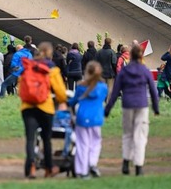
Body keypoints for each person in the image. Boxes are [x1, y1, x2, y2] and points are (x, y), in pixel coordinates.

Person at [105, 45, 159, 176]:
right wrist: (156, 108)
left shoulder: (125, 71)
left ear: (131, 55)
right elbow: (153, 90)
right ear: (140, 56)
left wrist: (107, 109)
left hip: (127, 104)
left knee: (127, 134)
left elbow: (115, 91)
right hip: (141, 104)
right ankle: (138, 167)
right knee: (140, 135)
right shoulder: (145, 70)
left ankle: (125, 162)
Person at [21, 42, 68, 179]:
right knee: (46, 139)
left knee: (30, 139)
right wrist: (62, 100)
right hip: (45, 106)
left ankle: (31, 167)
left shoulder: (29, 66)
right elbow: (60, 91)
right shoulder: (51, 68)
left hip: (28, 107)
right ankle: (48, 168)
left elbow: (21, 85)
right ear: (50, 53)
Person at [68, 61, 108, 179]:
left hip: (82, 117)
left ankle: (82, 170)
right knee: (95, 143)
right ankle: (92, 163)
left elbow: (73, 101)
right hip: (96, 118)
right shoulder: (103, 87)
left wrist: (66, 103)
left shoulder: (81, 86)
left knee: (82, 144)